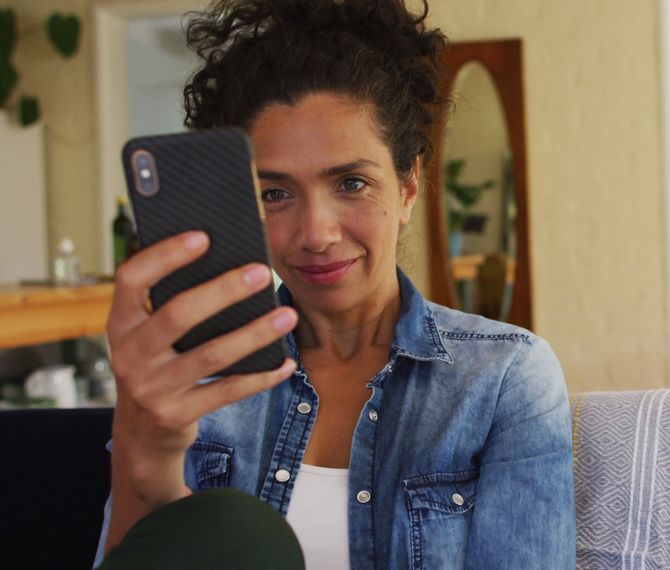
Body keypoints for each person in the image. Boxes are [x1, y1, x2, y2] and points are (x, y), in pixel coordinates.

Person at [93, 0, 576, 567]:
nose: (315, 233)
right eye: (274, 193)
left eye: (350, 182)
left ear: (409, 186)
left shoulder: (502, 379)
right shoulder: (197, 380)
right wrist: (141, 456)